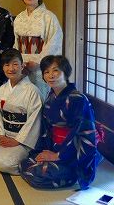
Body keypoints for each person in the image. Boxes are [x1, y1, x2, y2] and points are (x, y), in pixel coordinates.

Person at [20, 55, 102, 189]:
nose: (51, 75)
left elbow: (82, 133)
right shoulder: (50, 97)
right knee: (24, 163)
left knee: (40, 174)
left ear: (65, 72)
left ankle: (81, 168)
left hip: (72, 152)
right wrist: (43, 151)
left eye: (55, 70)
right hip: (55, 147)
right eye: (46, 72)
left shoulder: (78, 99)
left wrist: (58, 155)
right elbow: (46, 130)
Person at [0, 48, 42, 174]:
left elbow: (34, 120)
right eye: (7, 65)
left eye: (15, 64)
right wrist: (1, 135)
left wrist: (17, 140)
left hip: (23, 140)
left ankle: (26, 158)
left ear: (22, 66)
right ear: (3, 67)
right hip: (6, 137)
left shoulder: (33, 91)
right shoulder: (2, 90)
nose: (11, 69)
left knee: (7, 164)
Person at [14, 0, 63, 99]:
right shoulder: (19, 18)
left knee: (41, 99)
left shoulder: (49, 17)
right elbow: (15, 44)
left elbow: (54, 44)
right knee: (23, 99)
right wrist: (18, 63)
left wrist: (38, 63)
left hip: (40, 68)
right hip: (22, 67)